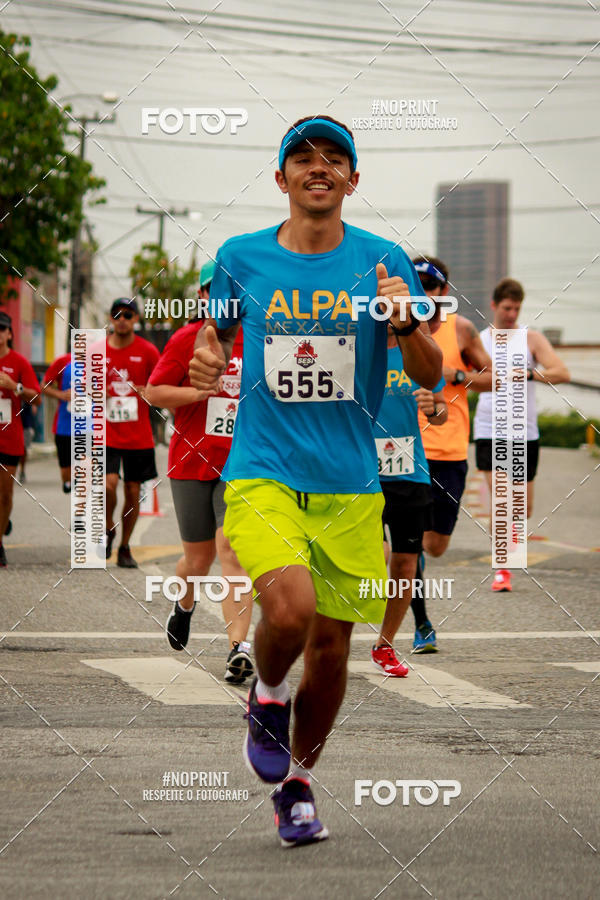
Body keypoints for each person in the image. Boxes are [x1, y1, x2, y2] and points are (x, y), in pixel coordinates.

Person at [189, 115, 442, 847]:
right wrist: (207, 360)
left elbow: (431, 375)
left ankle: (298, 785)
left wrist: (405, 326)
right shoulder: (241, 257)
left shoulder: (382, 261)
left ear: (353, 180)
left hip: (353, 485)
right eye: (303, 157)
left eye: (335, 157)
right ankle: (267, 694)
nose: (319, 165)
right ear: (282, 179)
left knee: (332, 651)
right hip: (264, 470)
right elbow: (213, 335)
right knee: (291, 613)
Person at [146, 261, 254, 683]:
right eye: (215, 290)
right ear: (202, 296)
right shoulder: (186, 338)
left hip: (243, 464)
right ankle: (184, 604)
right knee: (198, 558)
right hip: (191, 461)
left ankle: (238, 647)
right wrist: (197, 392)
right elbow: (154, 391)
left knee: (232, 551)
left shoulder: (261, 340)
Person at [413, 256, 493, 651]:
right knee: (407, 542)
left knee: (436, 545)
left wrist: (458, 376)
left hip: (449, 449)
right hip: (404, 450)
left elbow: (495, 378)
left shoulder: (461, 329)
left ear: (444, 291)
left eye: (431, 286)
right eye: (417, 284)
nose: (424, 292)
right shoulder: (395, 328)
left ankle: (415, 561)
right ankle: (420, 620)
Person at [473, 277, 570, 592]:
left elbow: (562, 372)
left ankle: (511, 540)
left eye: (516, 308)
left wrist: (528, 372)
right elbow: (462, 377)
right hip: (490, 427)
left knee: (521, 508)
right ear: (494, 305)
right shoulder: (480, 340)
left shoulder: (532, 339)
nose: (512, 314)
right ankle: (503, 569)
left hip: (524, 432)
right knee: (502, 499)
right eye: (506, 308)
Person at [371, 321, 447, 674]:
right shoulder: (356, 349)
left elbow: (442, 412)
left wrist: (433, 406)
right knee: (370, 558)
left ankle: (385, 646)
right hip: (360, 472)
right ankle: (328, 636)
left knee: (405, 563)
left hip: (408, 471)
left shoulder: (418, 352)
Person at [105, 298, 160, 568]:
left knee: (132, 490)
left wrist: (147, 391)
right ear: (111, 318)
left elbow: (163, 386)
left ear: (136, 319)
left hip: (138, 436)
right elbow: (80, 388)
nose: (122, 319)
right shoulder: (97, 351)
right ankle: (107, 527)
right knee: (108, 484)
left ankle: (125, 546)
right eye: (117, 314)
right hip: (108, 434)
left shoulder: (148, 351)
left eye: (127, 314)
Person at [0, 311, 41, 567]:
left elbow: (36, 397)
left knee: (4, 495)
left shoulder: (19, 362)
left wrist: (13, 385)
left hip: (8, 437)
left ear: (9, 334)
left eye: (1, 329)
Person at [42, 351, 73, 492]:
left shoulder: (101, 362)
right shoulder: (63, 361)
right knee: (66, 472)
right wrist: (60, 394)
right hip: (65, 425)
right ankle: (68, 483)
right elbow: (44, 386)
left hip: (91, 426)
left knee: (87, 469)